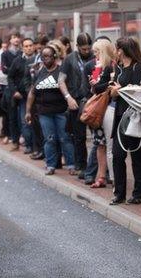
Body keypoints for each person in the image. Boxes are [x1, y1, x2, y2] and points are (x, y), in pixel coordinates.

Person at [25, 45, 75, 175]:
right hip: (44, 112)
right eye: (43, 57)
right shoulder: (38, 73)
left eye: (48, 56)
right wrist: (28, 111)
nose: (45, 59)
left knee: (65, 138)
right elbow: (32, 93)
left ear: (54, 57)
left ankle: (71, 165)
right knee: (49, 138)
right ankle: (50, 165)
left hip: (61, 111)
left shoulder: (61, 72)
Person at [109, 37, 141, 205]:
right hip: (120, 116)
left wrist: (120, 89)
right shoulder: (119, 68)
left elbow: (139, 90)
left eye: (117, 49)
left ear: (122, 50)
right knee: (118, 154)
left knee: (137, 155)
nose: (115, 52)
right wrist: (115, 91)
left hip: (135, 116)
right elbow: (113, 93)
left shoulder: (138, 67)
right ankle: (119, 192)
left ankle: (138, 192)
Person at [59, 32, 94, 176]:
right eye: (83, 49)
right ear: (77, 47)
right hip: (75, 100)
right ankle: (81, 165)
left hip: (92, 100)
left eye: (88, 48)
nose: (86, 51)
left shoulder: (95, 56)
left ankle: (94, 166)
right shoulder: (69, 59)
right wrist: (68, 97)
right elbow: (61, 80)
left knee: (97, 137)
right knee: (78, 136)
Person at [87, 38, 116, 188]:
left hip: (107, 109)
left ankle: (108, 176)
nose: (95, 55)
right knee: (100, 144)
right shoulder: (101, 67)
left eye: (97, 52)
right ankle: (102, 175)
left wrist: (96, 85)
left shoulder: (110, 67)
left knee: (107, 145)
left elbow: (100, 88)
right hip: (101, 109)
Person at [7, 38, 36, 153]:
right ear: (23, 48)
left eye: (30, 45)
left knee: (36, 122)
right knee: (25, 121)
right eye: (26, 46)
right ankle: (29, 145)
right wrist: (14, 91)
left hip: (37, 96)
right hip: (23, 97)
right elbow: (10, 77)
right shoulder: (17, 61)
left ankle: (36, 146)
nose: (29, 48)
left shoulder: (39, 60)